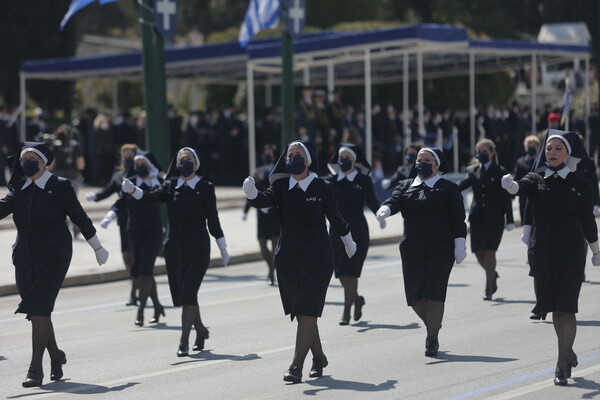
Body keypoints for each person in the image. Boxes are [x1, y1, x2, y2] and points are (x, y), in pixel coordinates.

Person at [242, 140, 356, 383]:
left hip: (318, 258)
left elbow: (334, 216)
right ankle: (319, 357)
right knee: (305, 313)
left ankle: (296, 366)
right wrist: (251, 193)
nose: (292, 158)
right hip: (288, 260)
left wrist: (347, 239)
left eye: (298, 154)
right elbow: (264, 200)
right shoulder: (281, 185)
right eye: (289, 154)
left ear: (308, 159)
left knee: (307, 310)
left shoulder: (321, 186)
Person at [0, 142, 109, 387]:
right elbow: (2, 208)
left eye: (32, 158)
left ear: (43, 162)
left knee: (39, 308)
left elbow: (79, 216)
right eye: (23, 159)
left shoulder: (60, 186)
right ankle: (56, 356)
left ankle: (35, 369)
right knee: (37, 311)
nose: (26, 162)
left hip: (54, 255)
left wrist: (97, 247)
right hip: (25, 257)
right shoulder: (19, 187)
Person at [501, 130, 600, 385]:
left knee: (566, 307)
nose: (552, 152)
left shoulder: (581, 184)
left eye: (558, 149)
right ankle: (567, 351)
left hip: (571, 253)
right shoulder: (536, 178)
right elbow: (520, 189)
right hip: (542, 253)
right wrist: (511, 185)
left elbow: (588, 220)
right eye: (549, 148)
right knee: (555, 309)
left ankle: (561, 365)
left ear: (568, 154)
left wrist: (596, 249)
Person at [121, 147, 229, 357]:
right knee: (184, 295)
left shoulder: (206, 186)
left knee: (189, 293)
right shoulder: (170, 185)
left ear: (196, 164)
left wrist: (222, 245)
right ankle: (201, 330)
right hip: (174, 248)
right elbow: (151, 197)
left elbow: (213, 218)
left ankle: (183, 342)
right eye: (181, 160)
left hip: (197, 248)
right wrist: (133, 190)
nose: (184, 163)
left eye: (188, 159)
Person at [375, 147, 467, 357]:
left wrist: (459, 244)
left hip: (440, 249)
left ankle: (432, 338)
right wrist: (384, 210)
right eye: (419, 159)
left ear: (437, 165)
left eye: (427, 160)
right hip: (412, 249)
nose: (421, 163)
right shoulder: (406, 185)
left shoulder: (448, 189)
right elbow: (394, 200)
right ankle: (433, 325)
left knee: (434, 294)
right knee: (415, 297)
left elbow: (458, 220)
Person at [324, 143, 383, 325]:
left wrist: (381, 214)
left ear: (354, 160)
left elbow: (372, 201)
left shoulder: (363, 181)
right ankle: (357, 300)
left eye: (348, 158)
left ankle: (346, 312)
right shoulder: (330, 181)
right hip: (336, 231)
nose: (344, 160)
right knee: (341, 273)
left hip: (357, 231)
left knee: (351, 272)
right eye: (341, 157)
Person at [106, 151, 165, 326]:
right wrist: (110, 215)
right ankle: (157, 306)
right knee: (142, 271)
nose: (139, 167)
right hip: (134, 231)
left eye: (143, 164)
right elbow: (121, 202)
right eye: (137, 164)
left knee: (145, 270)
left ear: (150, 165)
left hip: (153, 231)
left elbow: (155, 199)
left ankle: (141, 312)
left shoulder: (158, 183)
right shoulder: (129, 182)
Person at [457, 139, 514, 300]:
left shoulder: (500, 171)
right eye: (478, 151)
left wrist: (510, 219)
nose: (480, 154)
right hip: (477, 218)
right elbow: (462, 184)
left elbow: (505, 198)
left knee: (490, 252)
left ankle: (488, 288)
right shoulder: (474, 171)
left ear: (492, 153)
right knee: (478, 252)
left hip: (495, 219)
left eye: (484, 151)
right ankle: (493, 274)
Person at [88, 144, 138, 306]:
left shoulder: (140, 174)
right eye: (125, 156)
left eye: (130, 156)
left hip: (139, 219)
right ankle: (134, 281)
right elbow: (108, 191)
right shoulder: (118, 175)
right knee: (126, 253)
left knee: (136, 254)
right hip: (124, 219)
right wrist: (94, 196)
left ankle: (136, 291)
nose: (127, 159)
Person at [242, 144, 280, 285]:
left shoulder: (278, 170)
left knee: (276, 245)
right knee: (263, 245)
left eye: (269, 153)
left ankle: (271, 272)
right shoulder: (257, 172)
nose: (267, 155)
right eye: (265, 153)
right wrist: (246, 211)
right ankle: (271, 268)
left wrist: (271, 204)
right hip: (262, 214)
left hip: (275, 213)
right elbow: (251, 191)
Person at [514, 135, 541, 222]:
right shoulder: (520, 161)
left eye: (533, 146)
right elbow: (517, 178)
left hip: (539, 196)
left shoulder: (542, 161)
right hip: (524, 198)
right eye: (529, 146)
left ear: (537, 147)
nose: (530, 148)